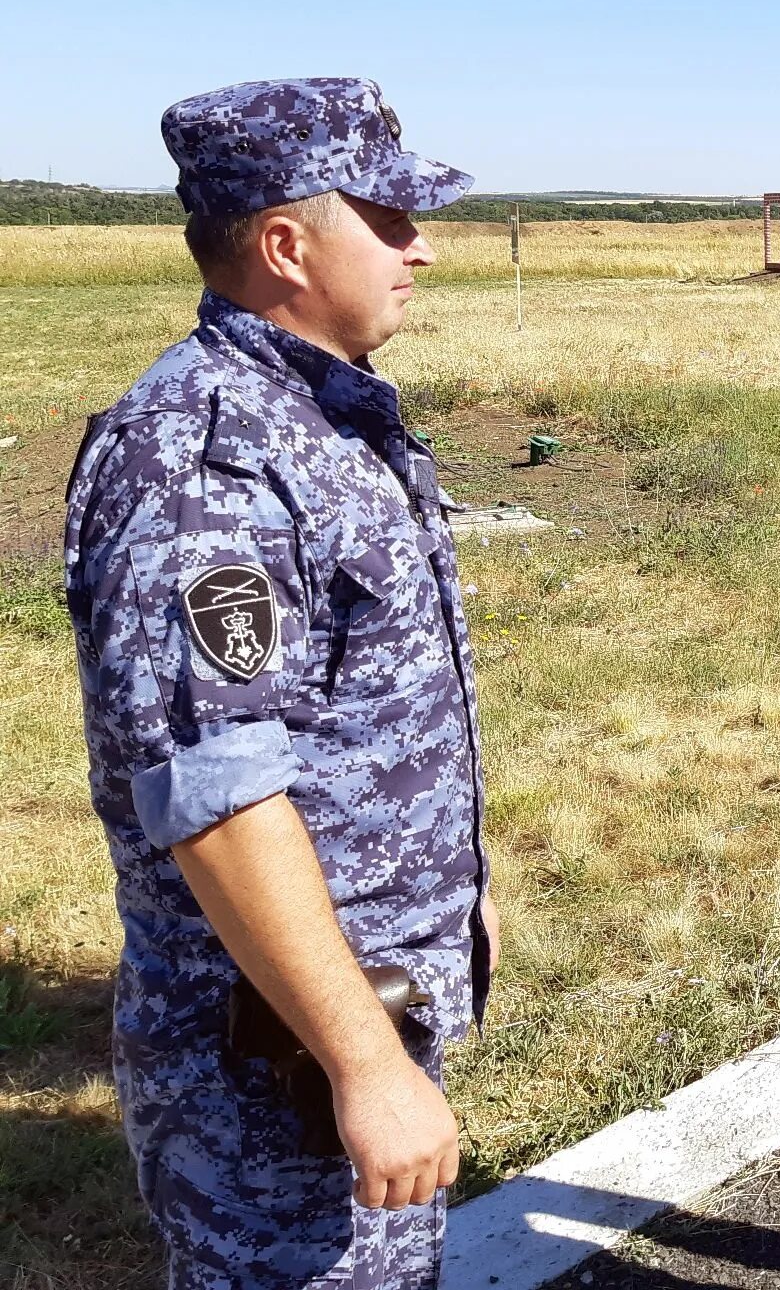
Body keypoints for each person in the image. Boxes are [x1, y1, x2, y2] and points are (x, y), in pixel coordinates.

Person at [61, 78, 496, 1288]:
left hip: (355, 1006)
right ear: (286, 245)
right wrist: (363, 1061)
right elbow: (217, 798)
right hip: (271, 1065)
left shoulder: (320, 414)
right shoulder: (202, 458)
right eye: (391, 218)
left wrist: (453, 893)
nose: (423, 246)